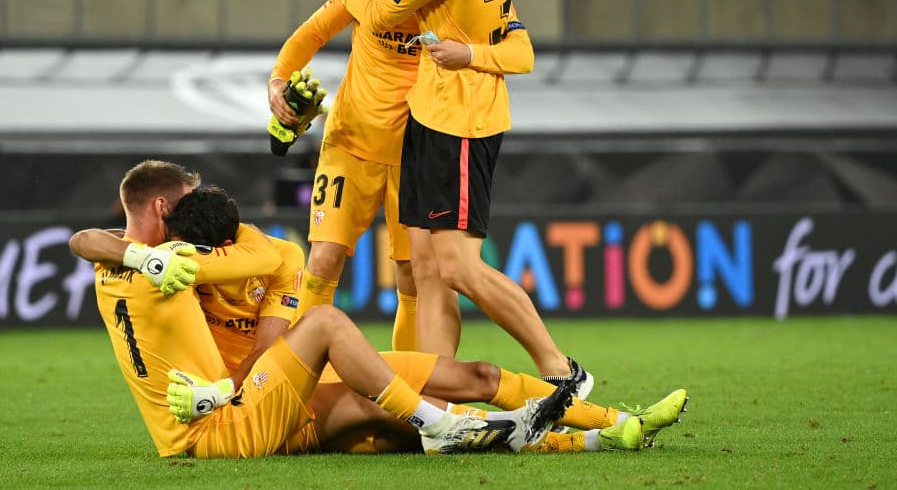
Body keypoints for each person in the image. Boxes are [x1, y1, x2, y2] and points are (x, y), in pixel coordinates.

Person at [72, 162, 687, 457]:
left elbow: (267, 331)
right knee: (390, 401)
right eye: (183, 206)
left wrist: (196, 268)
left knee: (476, 377)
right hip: (260, 405)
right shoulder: (157, 269)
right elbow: (87, 241)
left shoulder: (261, 252)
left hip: (275, 379)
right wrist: (153, 260)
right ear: (162, 212)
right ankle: (581, 444)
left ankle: (612, 420)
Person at [329, 0, 586, 393]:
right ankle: (435, 399)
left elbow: (376, 18)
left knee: (457, 268)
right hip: (430, 112)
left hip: (462, 122)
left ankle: (561, 369)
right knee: (424, 271)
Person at [268, 0, 430, 351]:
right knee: (322, 261)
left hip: (415, 152)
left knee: (411, 275)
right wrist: (278, 80)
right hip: (349, 141)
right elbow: (314, 31)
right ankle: (297, 384)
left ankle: (407, 396)